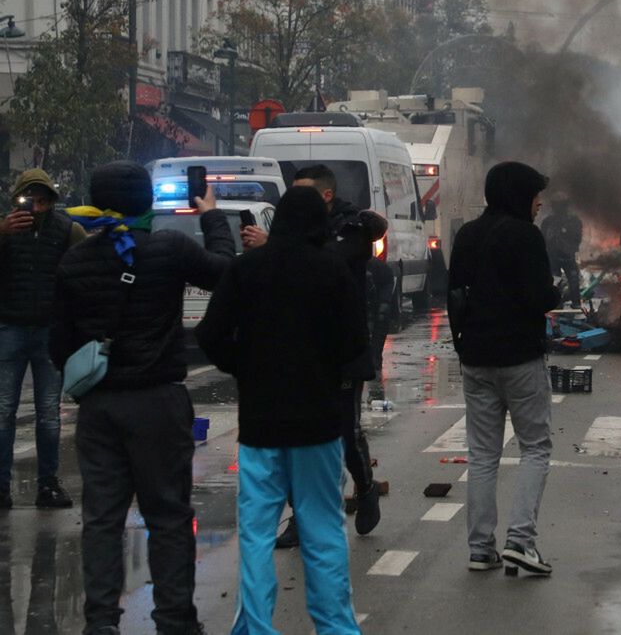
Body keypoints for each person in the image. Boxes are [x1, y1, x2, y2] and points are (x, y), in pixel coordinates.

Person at [50, 161, 234, 635]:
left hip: (100, 407)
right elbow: (225, 273)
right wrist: (211, 216)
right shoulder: (170, 249)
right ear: (147, 201)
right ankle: (174, 620)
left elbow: (59, 346)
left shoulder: (75, 262)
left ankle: (101, 623)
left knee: (102, 519)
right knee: (169, 516)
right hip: (159, 402)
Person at [196, 186, 365, 635]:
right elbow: (355, 344)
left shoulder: (247, 268)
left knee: (256, 532)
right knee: (323, 529)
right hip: (318, 424)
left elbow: (210, 334)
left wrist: (245, 367)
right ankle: (336, 628)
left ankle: (255, 627)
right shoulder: (333, 270)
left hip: (261, 425)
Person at [254, 165, 387, 546]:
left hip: (342, 349)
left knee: (343, 432)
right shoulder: (289, 232)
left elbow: (332, 261)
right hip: (299, 346)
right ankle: (301, 516)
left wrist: (276, 247)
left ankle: (365, 488)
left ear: (326, 196)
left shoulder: (352, 228)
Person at [448, 162, 559, 575]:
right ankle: (521, 541)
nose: (538, 203)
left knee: (481, 455)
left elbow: (454, 294)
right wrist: (555, 291)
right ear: (518, 196)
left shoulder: (467, 235)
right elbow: (538, 297)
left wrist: (463, 343)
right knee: (535, 447)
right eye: (534, 195)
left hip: (475, 358)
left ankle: (480, 549)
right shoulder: (525, 236)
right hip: (519, 360)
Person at [0, 170, 87, 510]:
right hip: (10, 328)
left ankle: (48, 484)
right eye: (28, 200)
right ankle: (2, 487)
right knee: (4, 411)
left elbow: (83, 275)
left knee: (49, 414)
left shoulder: (68, 231)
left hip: (50, 333)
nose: (35, 207)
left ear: (51, 201)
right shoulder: (6, 230)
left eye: (41, 200)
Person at [540, 194, 583, 308]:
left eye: (562, 206)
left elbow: (578, 238)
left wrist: (569, 246)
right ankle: (557, 304)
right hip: (553, 257)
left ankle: (576, 304)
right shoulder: (548, 222)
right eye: (557, 206)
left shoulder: (573, 221)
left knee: (573, 279)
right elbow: (542, 239)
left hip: (568, 256)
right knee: (555, 281)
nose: (559, 209)